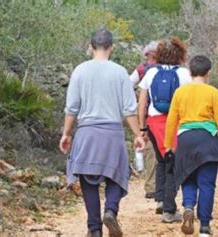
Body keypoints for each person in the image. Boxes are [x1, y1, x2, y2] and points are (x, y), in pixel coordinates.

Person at [60, 28, 145, 237]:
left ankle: (94, 229)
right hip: (112, 133)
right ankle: (110, 210)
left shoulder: (80, 71)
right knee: (117, 175)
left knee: (87, 180)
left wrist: (66, 133)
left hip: (87, 133)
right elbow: (129, 109)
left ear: (90, 47)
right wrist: (137, 135)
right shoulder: (119, 72)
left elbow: (72, 108)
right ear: (111, 47)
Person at [164, 55, 218, 237]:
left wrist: (168, 145)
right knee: (207, 184)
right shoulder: (212, 92)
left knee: (187, 177)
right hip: (208, 140)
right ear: (208, 73)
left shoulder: (180, 92)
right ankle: (205, 227)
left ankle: (188, 206)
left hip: (185, 140)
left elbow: (171, 121)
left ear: (190, 71)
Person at [138, 37, 192, 223]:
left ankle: (160, 199)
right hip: (175, 123)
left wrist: (142, 126)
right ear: (180, 54)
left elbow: (142, 101)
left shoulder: (151, 72)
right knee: (173, 164)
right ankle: (169, 210)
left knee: (162, 161)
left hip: (154, 122)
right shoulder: (184, 74)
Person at [129, 41, 159, 199]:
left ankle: (151, 186)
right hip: (160, 114)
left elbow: (127, 83)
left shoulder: (141, 69)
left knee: (149, 150)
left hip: (145, 114)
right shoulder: (164, 68)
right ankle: (159, 186)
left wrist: (133, 102)